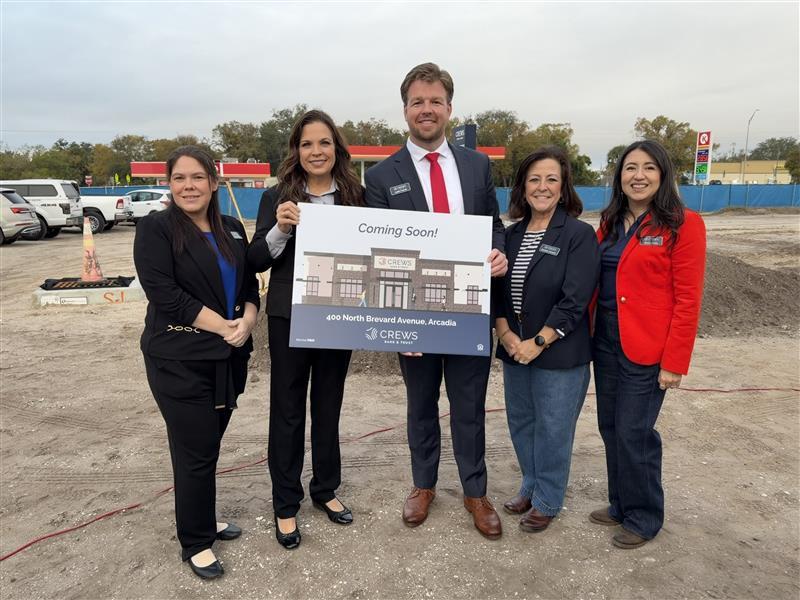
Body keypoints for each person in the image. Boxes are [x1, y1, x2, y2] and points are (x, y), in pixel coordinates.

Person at [364, 62, 508, 539]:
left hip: (469, 310)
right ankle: (423, 484)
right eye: (417, 102)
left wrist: (499, 253)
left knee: (469, 406)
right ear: (405, 109)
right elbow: (377, 253)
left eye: (435, 101)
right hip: (414, 316)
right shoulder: (381, 176)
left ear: (449, 108)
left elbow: (493, 226)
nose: (426, 109)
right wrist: (396, 321)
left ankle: (475, 492)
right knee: (421, 405)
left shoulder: (477, 165)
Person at [134, 145, 260, 579]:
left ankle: (202, 518)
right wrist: (224, 327)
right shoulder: (156, 228)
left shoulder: (231, 228)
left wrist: (247, 321)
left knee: (207, 446)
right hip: (178, 358)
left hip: (228, 358)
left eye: (197, 177)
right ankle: (196, 541)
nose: (188, 186)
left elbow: (249, 286)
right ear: (169, 184)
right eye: (179, 178)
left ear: (213, 182)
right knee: (196, 450)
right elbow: (165, 295)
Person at [246, 109, 365, 550]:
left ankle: (325, 489)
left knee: (329, 405)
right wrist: (280, 229)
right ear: (296, 150)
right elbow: (256, 259)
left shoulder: (357, 196)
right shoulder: (277, 196)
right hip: (290, 317)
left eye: (324, 143)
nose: (316, 151)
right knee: (288, 408)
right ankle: (285, 502)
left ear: (337, 148)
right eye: (307, 144)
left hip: (339, 314)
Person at [590, 140, 706, 549]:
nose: (638, 176)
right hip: (605, 341)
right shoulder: (609, 224)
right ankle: (620, 504)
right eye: (630, 168)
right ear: (619, 177)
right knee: (610, 427)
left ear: (663, 175)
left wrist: (675, 361)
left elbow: (688, 299)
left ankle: (644, 516)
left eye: (649, 168)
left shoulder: (683, 225)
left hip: (647, 348)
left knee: (634, 432)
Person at [493, 147, 599, 533]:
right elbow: (497, 291)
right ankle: (530, 484)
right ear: (522, 186)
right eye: (534, 179)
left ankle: (548, 499)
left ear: (563, 186)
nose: (542, 186)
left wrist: (538, 341)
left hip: (558, 353)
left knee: (553, 428)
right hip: (514, 350)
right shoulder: (510, 235)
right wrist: (506, 334)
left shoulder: (578, 235)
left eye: (551, 179)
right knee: (522, 423)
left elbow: (575, 299)